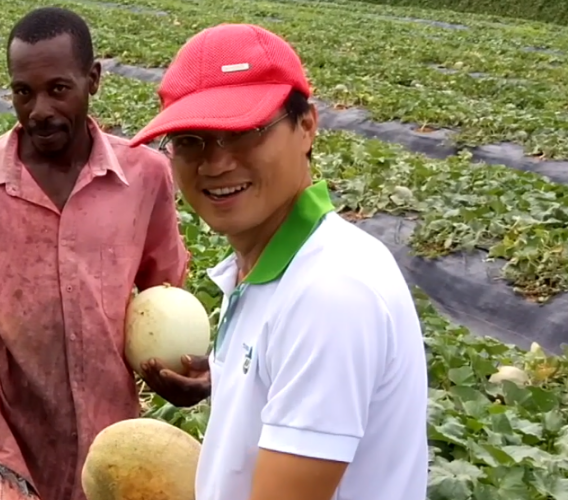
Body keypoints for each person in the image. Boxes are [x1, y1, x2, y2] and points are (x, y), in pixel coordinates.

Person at [0, 6, 190, 500]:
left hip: (111, 445)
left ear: (92, 79)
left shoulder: (146, 176)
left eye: (58, 88)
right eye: (22, 92)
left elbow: (163, 301)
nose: (39, 111)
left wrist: (184, 375)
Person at [127, 24, 430, 500]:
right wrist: (233, 384)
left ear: (307, 126)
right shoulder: (266, 270)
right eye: (190, 139)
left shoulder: (330, 294)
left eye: (244, 131)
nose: (215, 163)